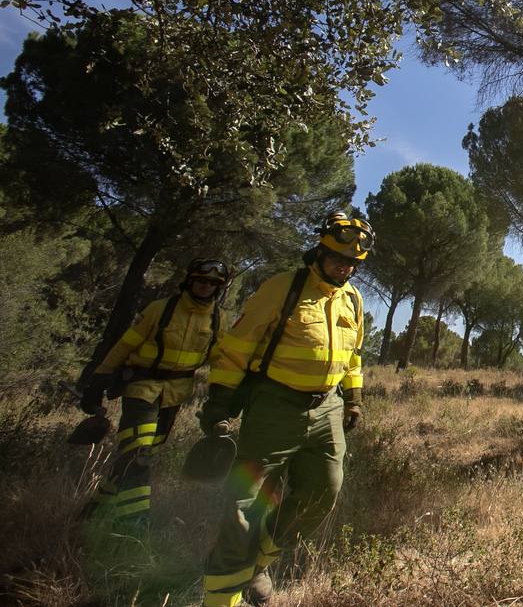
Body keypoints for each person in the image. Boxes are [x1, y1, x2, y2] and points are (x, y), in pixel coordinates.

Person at [198, 212, 370, 607]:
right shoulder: (282, 288)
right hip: (275, 405)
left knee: (322, 493)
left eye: (352, 264)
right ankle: (221, 597)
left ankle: (257, 564)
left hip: (327, 408)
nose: (344, 268)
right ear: (319, 252)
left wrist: (354, 399)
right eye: (337, 260)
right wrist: (220, 399)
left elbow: (354, 356)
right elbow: (237, 346)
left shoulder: (354, 300)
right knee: (245, 503)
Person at [80, 257, 229, 529]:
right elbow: (125, 345)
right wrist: (98, 380)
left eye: (213, 283)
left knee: (135, 457)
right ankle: (133, 525)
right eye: (201, 280)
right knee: (139, 455)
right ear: (190, 280)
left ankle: (94, 511)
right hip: (142, 388)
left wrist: (223, 395)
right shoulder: (160, 310)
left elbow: (221, 360)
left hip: (176, 394)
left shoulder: (219, 319)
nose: (206, 286)